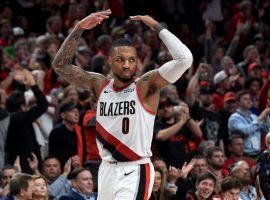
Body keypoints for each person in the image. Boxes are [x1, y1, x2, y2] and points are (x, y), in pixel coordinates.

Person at [52, 9, 193, 200]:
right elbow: (60, 65)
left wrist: (156, 26)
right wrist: (78, 28)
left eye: (131, 60)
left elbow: (185, 59)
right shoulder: (99, 84)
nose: (126, 65)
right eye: (120, 60)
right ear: (109, 61)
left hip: (135, 168)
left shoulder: (146, 85)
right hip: (106, 169)